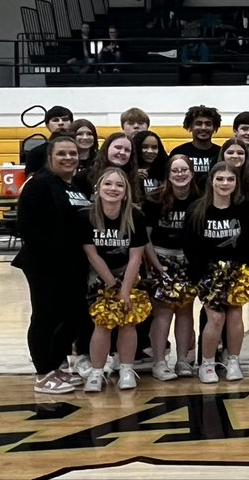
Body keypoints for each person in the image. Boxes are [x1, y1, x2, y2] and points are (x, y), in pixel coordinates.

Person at [15, 136, 91, 394]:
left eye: (73, 153)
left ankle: (55, 367)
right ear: (50, 157)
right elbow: (27, 226)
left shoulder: (77, 184)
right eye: (62, 153)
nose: (69, 157)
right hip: (45, 264)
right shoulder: (40, 184)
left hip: (74, 264)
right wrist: (52, 257)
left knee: (76, 316)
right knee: (45, 317)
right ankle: (43, 373)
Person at [80, 167, 149, 392]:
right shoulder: (85, 216)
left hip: (127, 272)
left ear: (126, 192)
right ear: (98, 189)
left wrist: (125, 290)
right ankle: (97, 371)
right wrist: (111, 285)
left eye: (119, 185)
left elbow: (136, 256)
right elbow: (92, 254)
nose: (113, 188)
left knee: (128, 321)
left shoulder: (135, 216)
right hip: (99, 275)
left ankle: (127, 369)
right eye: (108, 184)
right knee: (103, 323)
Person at [184, 162, 249, 383]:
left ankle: (233, 361)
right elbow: (190, 247)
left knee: (235, 316)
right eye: (220, 179)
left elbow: (246, 244)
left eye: (230, 179)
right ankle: (208, 363)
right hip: (207, 273)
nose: (225, 183)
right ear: (211, 181)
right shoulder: (197, 209)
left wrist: (240, 274)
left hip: (236, 271)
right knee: (215, 317)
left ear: (236, 183)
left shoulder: (243, 209)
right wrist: (202, 276)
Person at [141, 155, 199, 381]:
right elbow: (144, 238)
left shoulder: (199, 199)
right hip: (160, 257)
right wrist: (154, 265)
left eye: (184, 169)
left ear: (192, 173)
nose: (180, 174)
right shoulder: (154, 199)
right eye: (175, 170)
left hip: (188, 261)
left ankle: (183, 360)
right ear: (168, 174)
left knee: (185, 311)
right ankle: (159, 362)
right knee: (163, 312)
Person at [170, 105, 222, 184]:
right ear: (190, 126)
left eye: (208, 124)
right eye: (198, 123)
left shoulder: (222, 152)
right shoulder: (179, 152)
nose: (203, 128)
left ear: (214, 127)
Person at [25, 106, 75, 176]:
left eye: (65, 119)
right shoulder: (36, 153)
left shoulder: (80, 149)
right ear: (47, 125)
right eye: (55, 120)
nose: (61, 123)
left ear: (72, 123)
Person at [132, 130, 167, 195]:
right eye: (144, 147)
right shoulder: (126, 169)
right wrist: (133, 176)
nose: (150, 151)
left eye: (154, 147)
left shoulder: (167, 169)